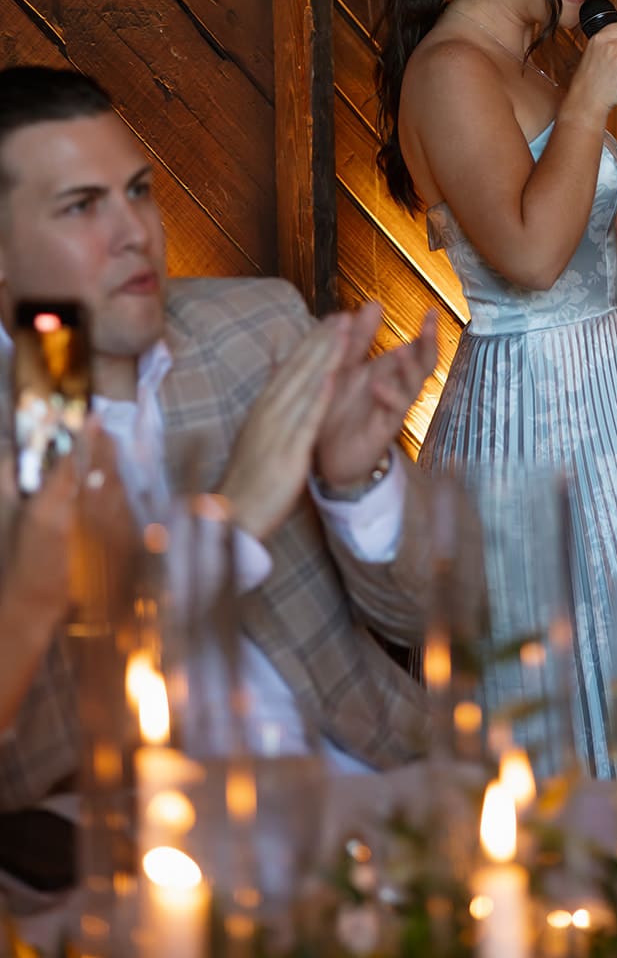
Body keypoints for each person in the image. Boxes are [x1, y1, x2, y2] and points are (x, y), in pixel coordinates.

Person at [0, 65, 444, 812]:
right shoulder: (22, 431)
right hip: (135, 843)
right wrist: (227, 526)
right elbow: (18, 765)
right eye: (81, 206)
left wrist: (357, 483)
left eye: (138, 191)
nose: (135, 234)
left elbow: (427, 614)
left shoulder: (257, 325)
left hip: (375, 787)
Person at [375, 0, 617, 774]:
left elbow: (579, 232)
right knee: (542, 673)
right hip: (528, 410)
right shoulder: (452, 72)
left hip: (593, 391)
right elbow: (526, 259)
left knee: (609, 639)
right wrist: (589, 104)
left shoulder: (525, 63)